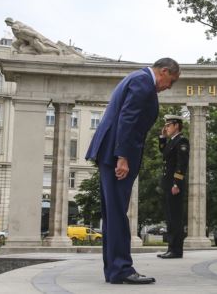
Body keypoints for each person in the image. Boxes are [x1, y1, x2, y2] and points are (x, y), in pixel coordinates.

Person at [85, 58, 180, 284]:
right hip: (116, 154)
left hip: (109, 152)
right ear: (164, 71)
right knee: (117, 213)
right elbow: (127, 119)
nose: (169, 87)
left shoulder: (135, 78)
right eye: (171, 81)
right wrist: (123, 157)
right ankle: (122, 269)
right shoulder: (143, 83)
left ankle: (114, 270)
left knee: (112, 213)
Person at [156, 114, 189, 259]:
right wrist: (162, 138)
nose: (166, 128)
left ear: (177, 126)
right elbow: (164, 153)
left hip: (175, 185)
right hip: (168, 184)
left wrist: (176, 183)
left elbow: (181, 165)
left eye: (169, 125)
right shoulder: (172, 141)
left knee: (175, 218)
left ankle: (176, 250)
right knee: (170, 218)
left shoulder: (182, 141)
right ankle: (171, 248)